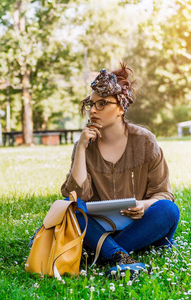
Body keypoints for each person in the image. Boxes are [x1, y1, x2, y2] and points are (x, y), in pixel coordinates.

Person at [61, 62, 180, 279]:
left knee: (168, 210)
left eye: (102, 104)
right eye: (92, 104)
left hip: (138, 226)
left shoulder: (145, 142)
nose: (93, 111)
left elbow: (164, 193)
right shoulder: (85, 145)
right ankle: (122, 258)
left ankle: (102, 251)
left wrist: (143, 205)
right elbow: (77, 196)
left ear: (121, 108)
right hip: (98, 227)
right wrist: (80, 149)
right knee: (71, 208)